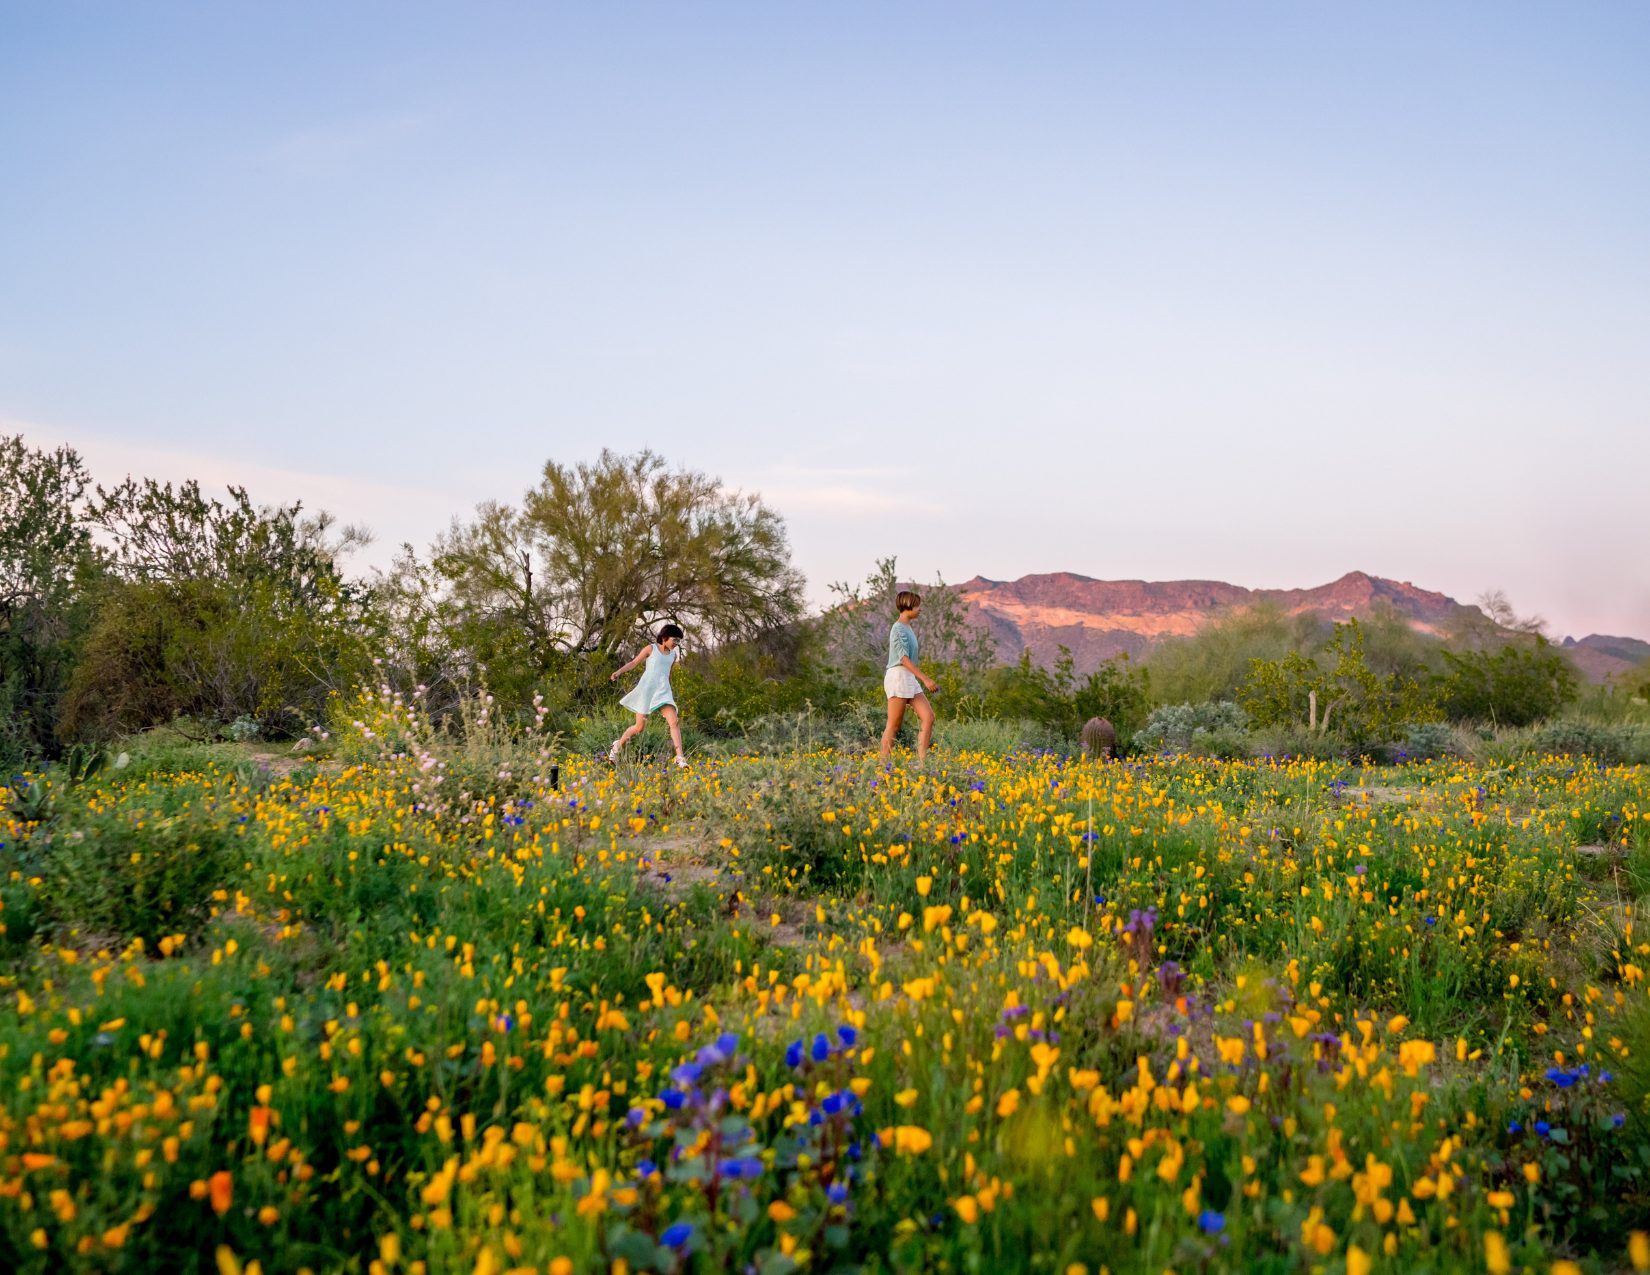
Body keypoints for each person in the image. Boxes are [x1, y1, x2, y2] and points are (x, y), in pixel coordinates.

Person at [609, 623, 687, 767]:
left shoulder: (673, 655)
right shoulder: (651, 649)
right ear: (664, 637)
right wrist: (618, 672)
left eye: (678, 641)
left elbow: (668, 675)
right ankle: (617, 746)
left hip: (663, 692)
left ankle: (680, 757)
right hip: (647, 691)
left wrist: (670, 694)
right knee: (639, 727)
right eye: (674, 640)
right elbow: (633, 663)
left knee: (674, 721)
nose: (676, 643)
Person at [879, 590, 938, 763]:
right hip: (898, 676)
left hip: (909, 678)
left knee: (928, 717)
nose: (920, 609)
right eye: (918, 605)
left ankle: (922, 763)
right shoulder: (898, 628)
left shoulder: (908, 627)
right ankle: (883, 768)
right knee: (893, 725)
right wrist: (926, 679)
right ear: (908, 606)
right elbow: (903, 659)